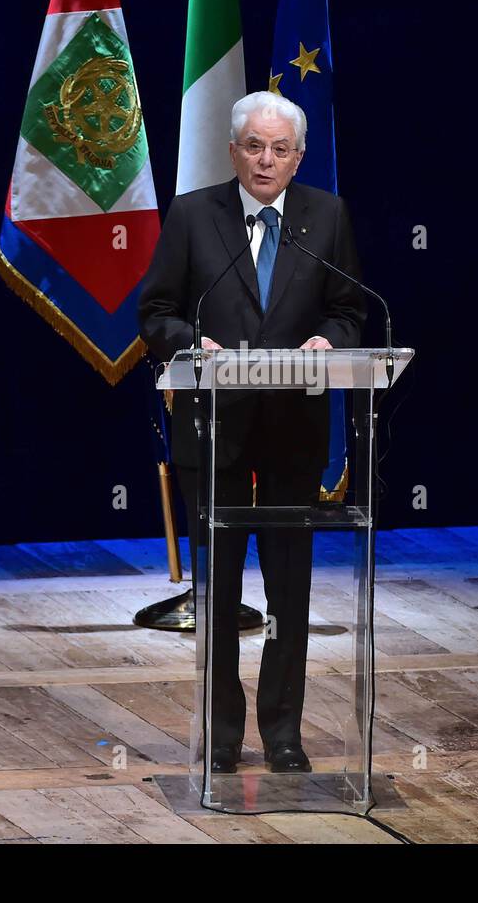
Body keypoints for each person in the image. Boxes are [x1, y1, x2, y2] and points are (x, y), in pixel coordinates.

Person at [138, 91, 366, 773]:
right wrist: (191, 342)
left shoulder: (327, 217)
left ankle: (285, 734)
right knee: (220, 590)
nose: (267, 160)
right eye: (255, 147)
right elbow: (155, 312)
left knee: (289, 591)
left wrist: (330, 340)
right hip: (216, 434)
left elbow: (351, 309)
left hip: (294, 431)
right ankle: (223, 736)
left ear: (298, 158)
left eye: (281, 150)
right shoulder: (193, 214)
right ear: (234, 150)